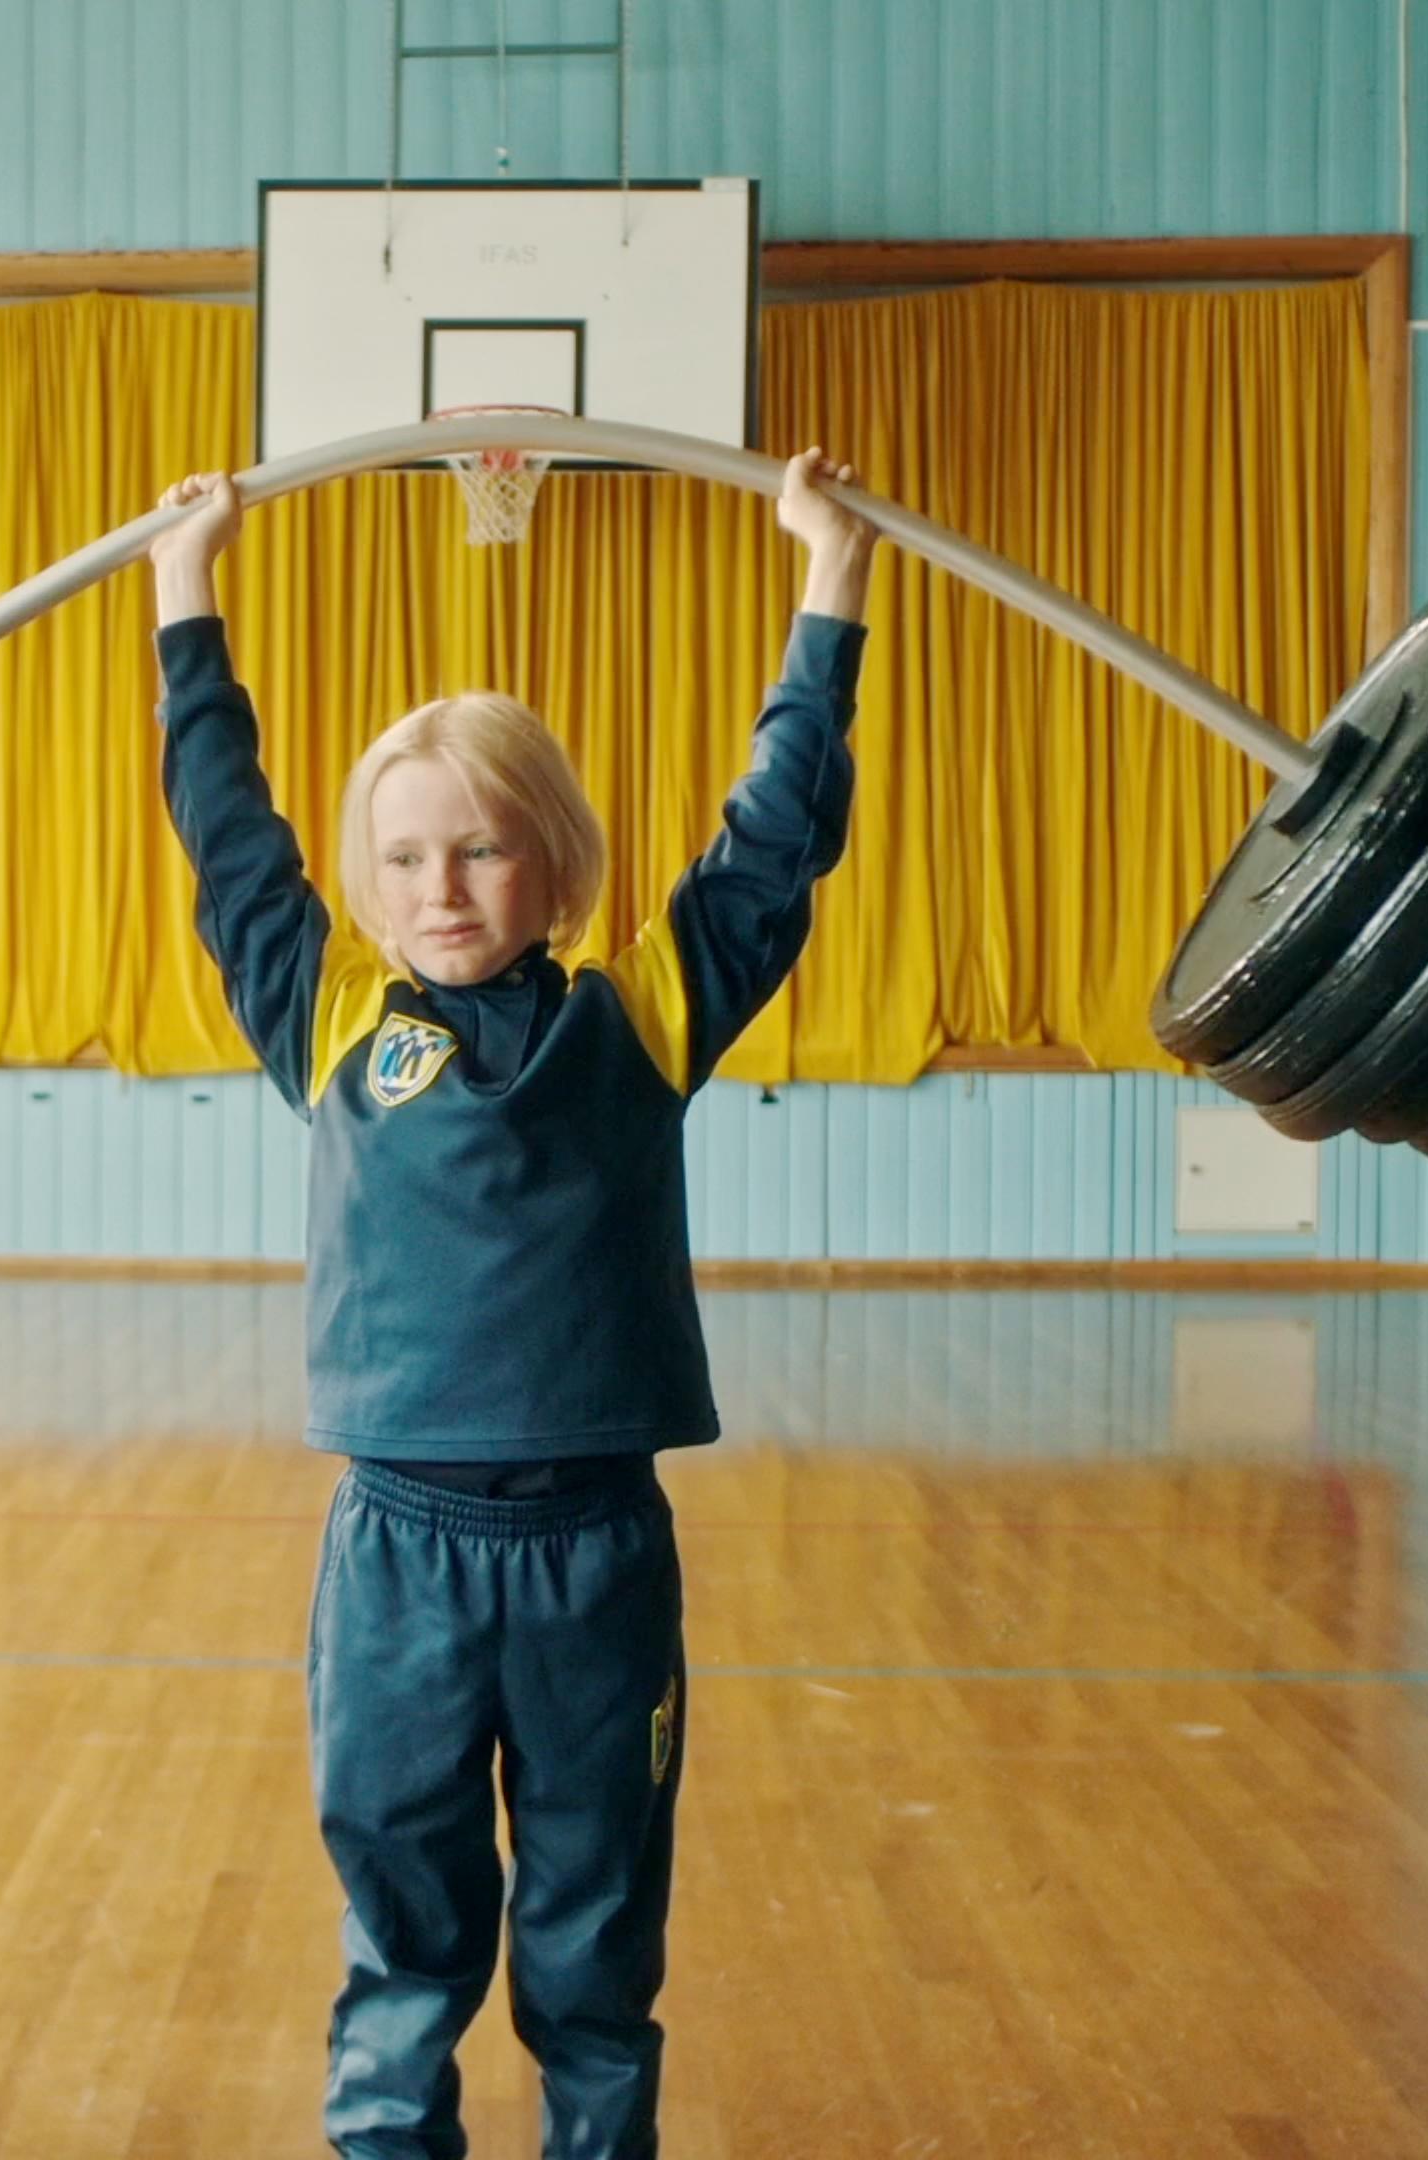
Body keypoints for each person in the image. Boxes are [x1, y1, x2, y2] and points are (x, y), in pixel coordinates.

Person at [145, 449, 877, 2159]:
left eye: (480, 852)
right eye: (402, 860)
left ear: (552, 860)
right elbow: (227, 831)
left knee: (593, 1946)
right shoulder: (328, 1016)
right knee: (405, 1947)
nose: (440, 891)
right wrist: (191, 590)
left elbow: (775, 838)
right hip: (396, 1551)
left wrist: (829, 582)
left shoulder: (643, 1018)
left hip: (596, 1557)